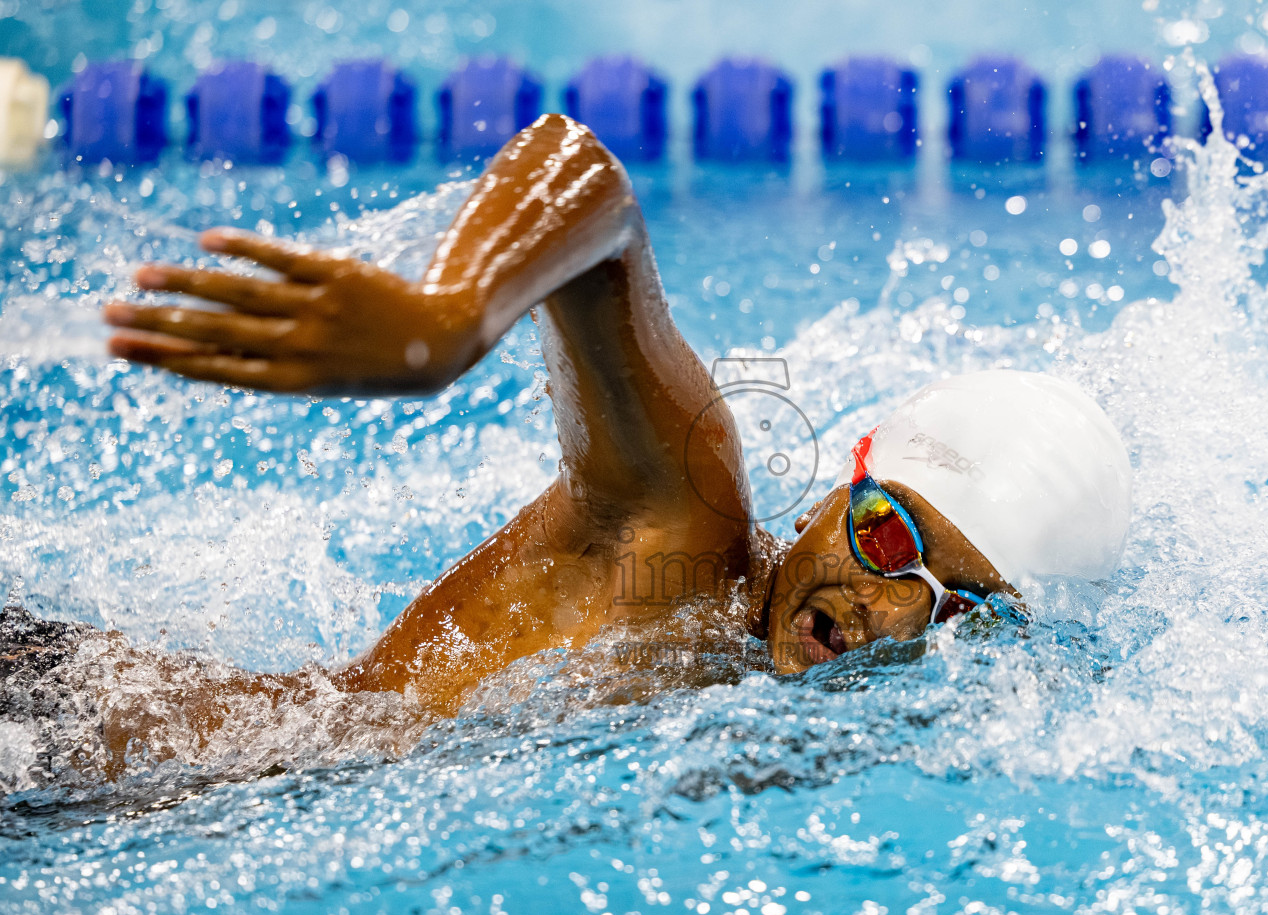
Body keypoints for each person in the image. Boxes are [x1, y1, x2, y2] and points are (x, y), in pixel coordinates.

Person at [96, 113, 1132, 723]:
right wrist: (446, 323)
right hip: (82, 742)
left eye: (953, 604)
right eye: (887, 535)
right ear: (836, 489)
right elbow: (584, 177)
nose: (888, 612)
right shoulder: (690, 524)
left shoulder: (779, 698)